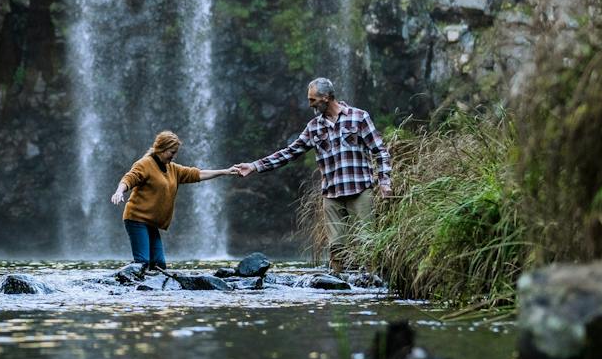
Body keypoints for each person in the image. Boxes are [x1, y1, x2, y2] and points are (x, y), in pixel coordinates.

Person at [234, 78, 392, 271]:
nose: (310, 104)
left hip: (360, 191)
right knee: (336, 248)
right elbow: (289, 152)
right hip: (332, 195)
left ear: (326, 98)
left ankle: (371, 287)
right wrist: (255, 166)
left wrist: (384, 182)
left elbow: (380, 150)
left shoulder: (359, 117)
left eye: (312, 100)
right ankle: (339, 290)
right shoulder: (314, 127)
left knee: (367, 243)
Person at [109, 130, 241, 270]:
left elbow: (197, 174)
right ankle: (125, 281)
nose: (174, 156)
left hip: (151, 222)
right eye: (172, 152)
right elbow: (129, 178)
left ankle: (151, 291)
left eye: (175, 152)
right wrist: (119, 191)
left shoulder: (173, 169)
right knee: (142, 263)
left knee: (159, 265)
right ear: (162, 149)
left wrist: (225, 171)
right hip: (136, 219)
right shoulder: (144, 164)